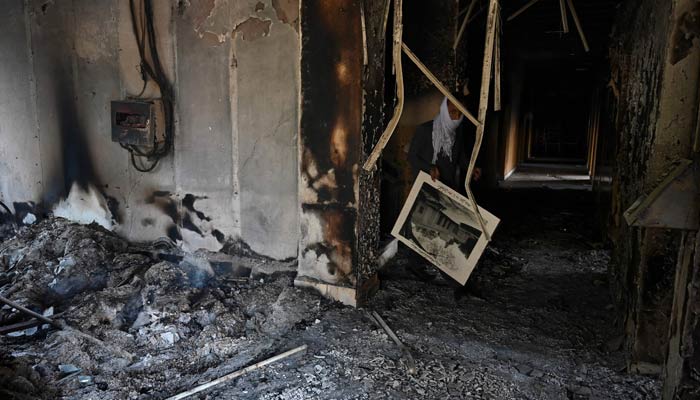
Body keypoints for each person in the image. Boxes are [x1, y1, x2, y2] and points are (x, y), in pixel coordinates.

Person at [408, 96, 481, 191]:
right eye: (453, 112)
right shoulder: (424, 130)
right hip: (426, 188)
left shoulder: (457, 132)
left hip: (448, 188)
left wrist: (471, 168)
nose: (457, 118)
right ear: (444, 110)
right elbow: (412, 156)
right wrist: (430, 168)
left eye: (461, 113)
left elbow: (460, 156)